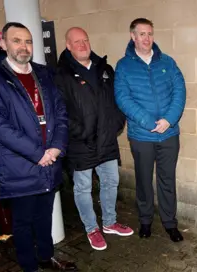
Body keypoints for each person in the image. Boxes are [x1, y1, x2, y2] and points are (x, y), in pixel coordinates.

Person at [0, 22, 76, 272]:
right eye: (16, 40)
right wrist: (37, 153)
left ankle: (46, 257)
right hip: (19, 165)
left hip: (49, 162)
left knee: (44, 217)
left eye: (28, 41)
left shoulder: (44, 73)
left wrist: (57, 147)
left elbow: (61, 113)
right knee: (23, 222)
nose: (24, 46)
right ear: (3, 43)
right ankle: (29, 266)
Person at [54, 27, 132, 251]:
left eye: (85, 40)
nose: (82, 44)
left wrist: (117, 123)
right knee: (83, 188)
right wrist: (80, 131)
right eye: (77, 41)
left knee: (111, 182)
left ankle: (109, 223)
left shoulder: (104, 68)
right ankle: (91, 228)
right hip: (81, 142)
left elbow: (116, 100)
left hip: (107, 138)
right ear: (68, 45)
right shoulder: (61, 75)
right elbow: (59, 112)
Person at [114, 18, 186, 242]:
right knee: (144, 180)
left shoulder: (168, 62)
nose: (147, 38)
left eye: (150, 34)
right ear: (133, 37)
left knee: (167, 180)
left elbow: (180, 91)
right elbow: (122, 98)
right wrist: (149, 122)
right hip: (141, 136)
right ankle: (145, 221)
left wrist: (169, 120)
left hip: (169, 134)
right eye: (142, 34)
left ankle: (170, 223)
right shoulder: (124, 66)